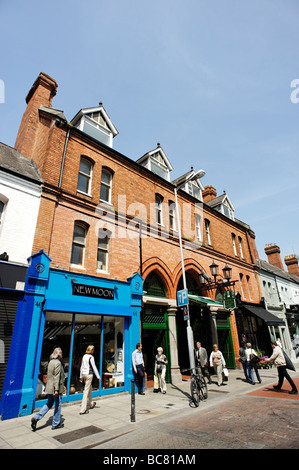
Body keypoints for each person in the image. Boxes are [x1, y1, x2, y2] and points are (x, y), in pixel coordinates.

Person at [31, 347, 65, 431]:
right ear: (57, 354)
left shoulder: (50, 362)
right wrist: (56, 390)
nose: (61, 354)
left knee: (49, 403)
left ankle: (36, 417)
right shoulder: (57, 363)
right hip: (55, 388)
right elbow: (56, 377)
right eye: (60, 353)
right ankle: (56, 423)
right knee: (58, 405)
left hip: (49, 387)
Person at [79, 345, 101, 414]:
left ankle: (91, 403)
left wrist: (81, 376)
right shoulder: (91, 357)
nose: (93, 351)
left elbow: (81, 366)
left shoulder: (84, 356)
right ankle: (83, 409)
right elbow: (94, 367)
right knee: (86, 391)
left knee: (89, 388)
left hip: (84, 374)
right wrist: (98, 376)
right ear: (91, 350)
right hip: (89, 374)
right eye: (93, 350)